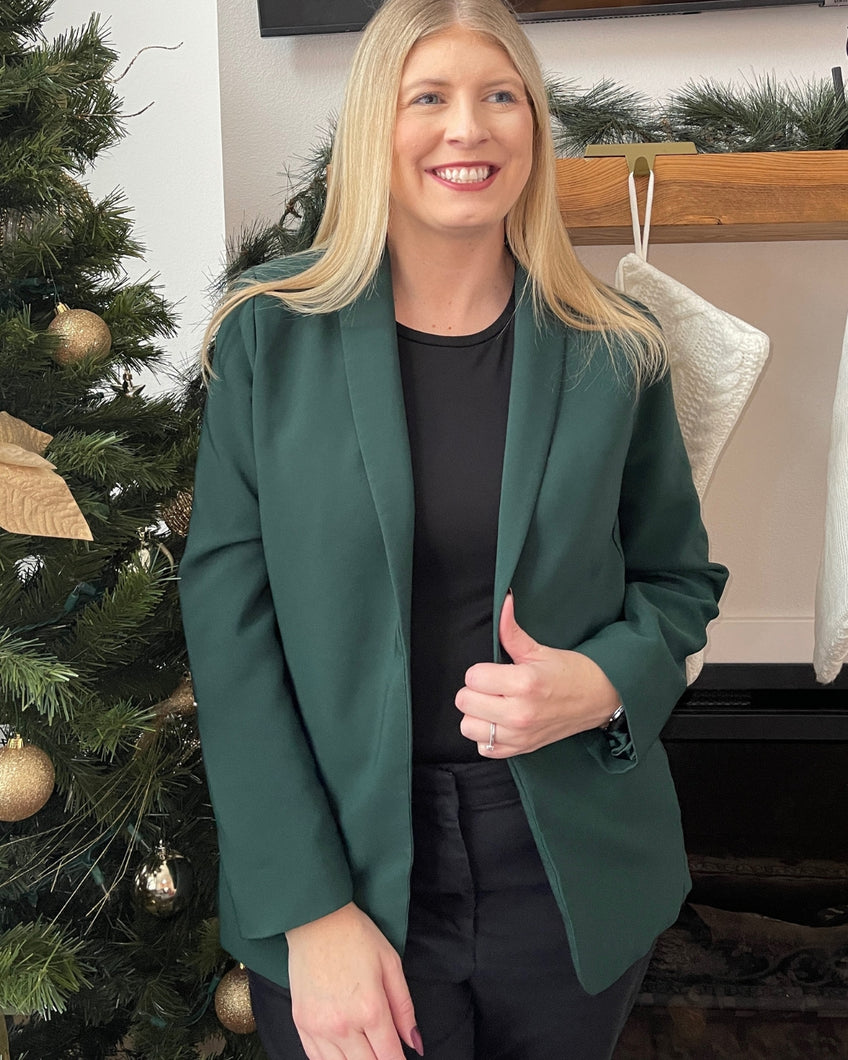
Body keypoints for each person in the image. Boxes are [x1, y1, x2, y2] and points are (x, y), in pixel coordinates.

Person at [180, 1, 728, 1057]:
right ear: (372, 126)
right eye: (426, 97)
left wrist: (603, 681)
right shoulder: (266, 339)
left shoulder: (614, 349)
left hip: (568, 875)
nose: (465, 129)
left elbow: (675, 582)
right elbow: (231, 643)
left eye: (498, 97)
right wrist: (312, 911)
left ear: (533, 125)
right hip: (342, 874)